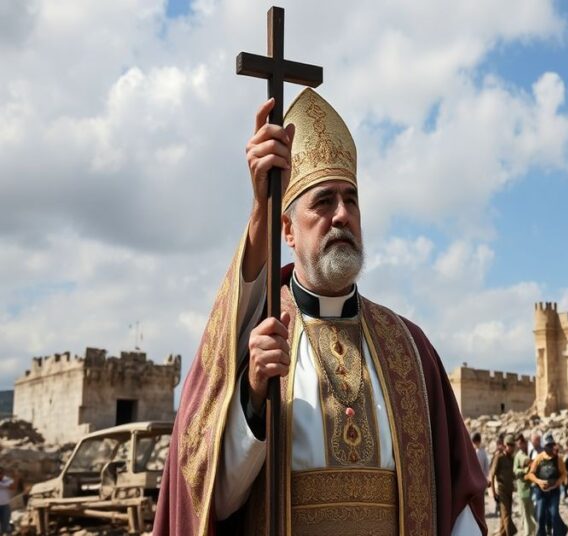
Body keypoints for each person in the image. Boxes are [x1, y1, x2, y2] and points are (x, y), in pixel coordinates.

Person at [155, 89, 486, 535]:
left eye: (352, 200)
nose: (343, 215)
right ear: (287, 229)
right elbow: (218, 497)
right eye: (324, 201)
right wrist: (253, 396)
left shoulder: (409, 347)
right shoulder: (262, 332)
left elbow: (458, 499)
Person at [527, 433, 568, 536]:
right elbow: (530, 474)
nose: (550, 447)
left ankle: (559, 533)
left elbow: (564, 473)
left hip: (554, 491)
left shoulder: (558, 459)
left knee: (554, 514)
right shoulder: (539, 458)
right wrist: (539, 481)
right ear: (544, 446)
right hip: (541, 492)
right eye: (548, 445)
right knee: (540, 515)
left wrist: (558, 482)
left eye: (551, 445)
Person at [489, 434, 517, 536]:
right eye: (509, 445)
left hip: (509, 491)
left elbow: (513, 475)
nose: (511, 448)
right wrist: (493, 492)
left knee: (504, 516)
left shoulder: (512, 459)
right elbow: (492, 475)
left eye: (513, 445)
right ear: (505, 446)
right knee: (506, 515)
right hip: (501, 491)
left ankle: (502, 534)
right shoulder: (499, 458)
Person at [512, 434, 537, 536]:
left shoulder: (531, 452)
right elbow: (515, 470)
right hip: (523, 489)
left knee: (533, 514)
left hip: (532, 488)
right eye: (518, 444)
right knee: (525, 514)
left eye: (520, 443)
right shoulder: (518, 456)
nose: (519, 445)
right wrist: (525, 470)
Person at [0, 468, 15, 536]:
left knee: (6, 525)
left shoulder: (7, 479)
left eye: (1, 473)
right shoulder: (6, 481)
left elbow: (13, 487)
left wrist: (16, 477)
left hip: (5, 505)